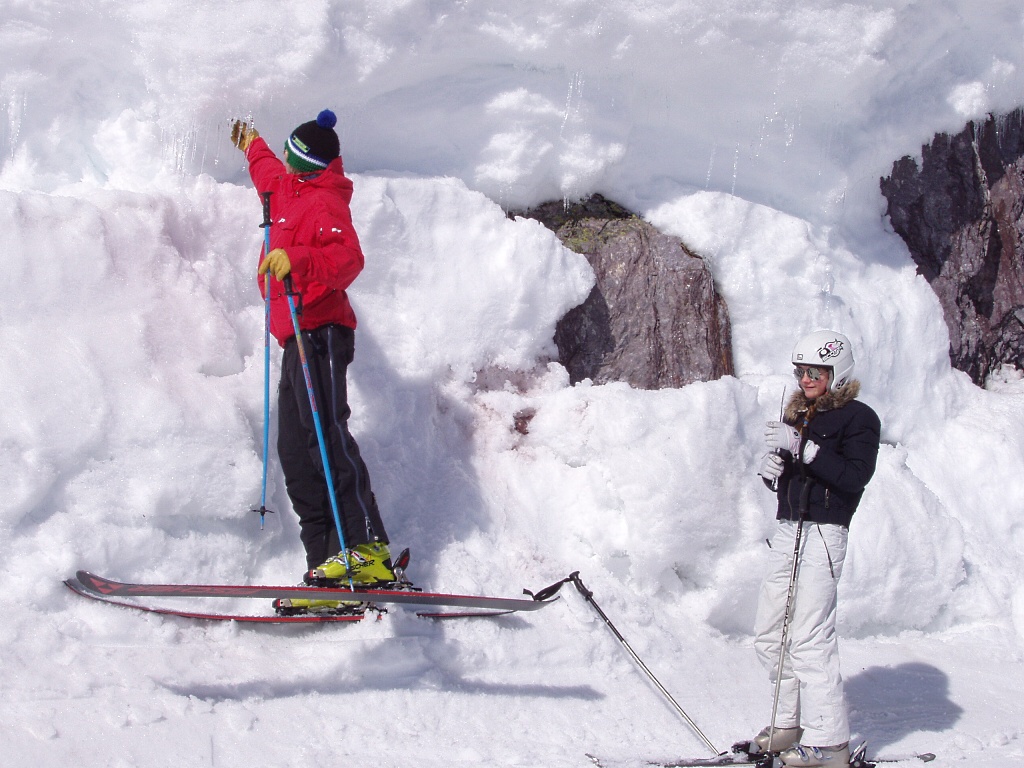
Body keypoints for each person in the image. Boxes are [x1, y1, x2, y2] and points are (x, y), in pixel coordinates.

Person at [230, 110, 395, 606]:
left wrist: (298, 260)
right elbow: (267, 172)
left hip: (321, 332)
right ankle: (326, 566)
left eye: (288, 151)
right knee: (296, 453)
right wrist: (251, 144)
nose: (281, 157)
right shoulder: (288, 187)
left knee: (325, 436)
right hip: (293, 336)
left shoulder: (324, 201)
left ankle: (367, 550)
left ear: (304, 160)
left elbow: (349, 260)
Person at [751, 330, 880, 767]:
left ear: (837, 373)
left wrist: (802, 450)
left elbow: (853, 477)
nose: (806, 378)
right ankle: (788, 723)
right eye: (801, 371)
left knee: (809, 636)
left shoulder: (859, 418)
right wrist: (775, 474)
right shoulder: (799, 416)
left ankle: (831, 746)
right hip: (790, 529)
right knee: (770, 633)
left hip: (825, 534)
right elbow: (797, 474)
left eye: (816, 371)